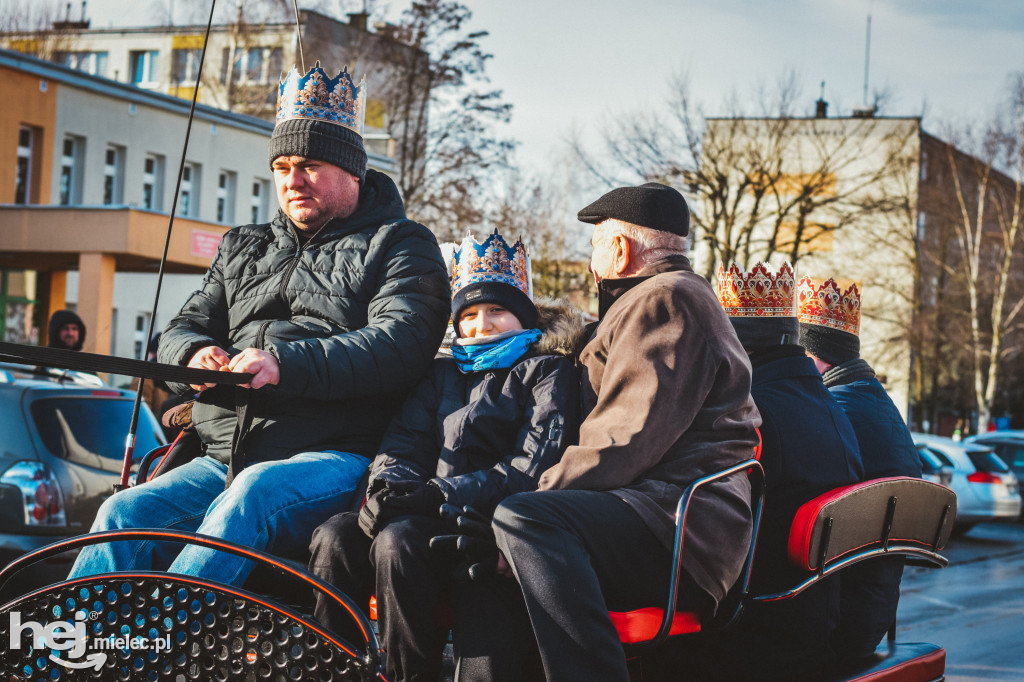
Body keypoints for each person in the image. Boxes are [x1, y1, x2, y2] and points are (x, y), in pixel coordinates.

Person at [67, 62, 450, 587]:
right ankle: (78, 654)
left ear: (352, 171)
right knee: (120, 516)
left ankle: (163, 645)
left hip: (333, 457)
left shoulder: (402, 243)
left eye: (310, 165)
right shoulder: (241, 245)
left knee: (252, 497)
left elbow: (400, 343)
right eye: (283, 166)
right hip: (221, 456)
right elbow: (181, 329)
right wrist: (192, 356)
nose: (292, 181)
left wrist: (283, 365)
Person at [489, 183, 762, 682]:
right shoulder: (675, 296)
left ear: (619, 250)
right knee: (506, 533)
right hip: (668, 515)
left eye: (594, 247)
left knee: (522, 519)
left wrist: (534, 498)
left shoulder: (663, 300)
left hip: (677, 526)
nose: (591, 265)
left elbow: (622, 440)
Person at [309, 230, 584, 682]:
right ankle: (334, 669)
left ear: (522, 316)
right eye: (470, 315)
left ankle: (407, 674)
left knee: (398, 544)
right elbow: (403, 442)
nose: (482, 324)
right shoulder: (442, 373)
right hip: (416, 505)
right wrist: (387, 489)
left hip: (477, 520)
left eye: (497, 310)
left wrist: (434, 494)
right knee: (335, 535)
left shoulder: (547, 371)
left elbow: (530, 465)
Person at [677, 262, 864, 680]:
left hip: (750, 639)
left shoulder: (750, 412)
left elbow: (700, 527)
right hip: (813, 627)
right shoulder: (832, 406)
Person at [797, 274, 922, 661]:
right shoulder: (881, 406)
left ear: (814, 355)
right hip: (873, 619)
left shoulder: (834, 414)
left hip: (832, 624)